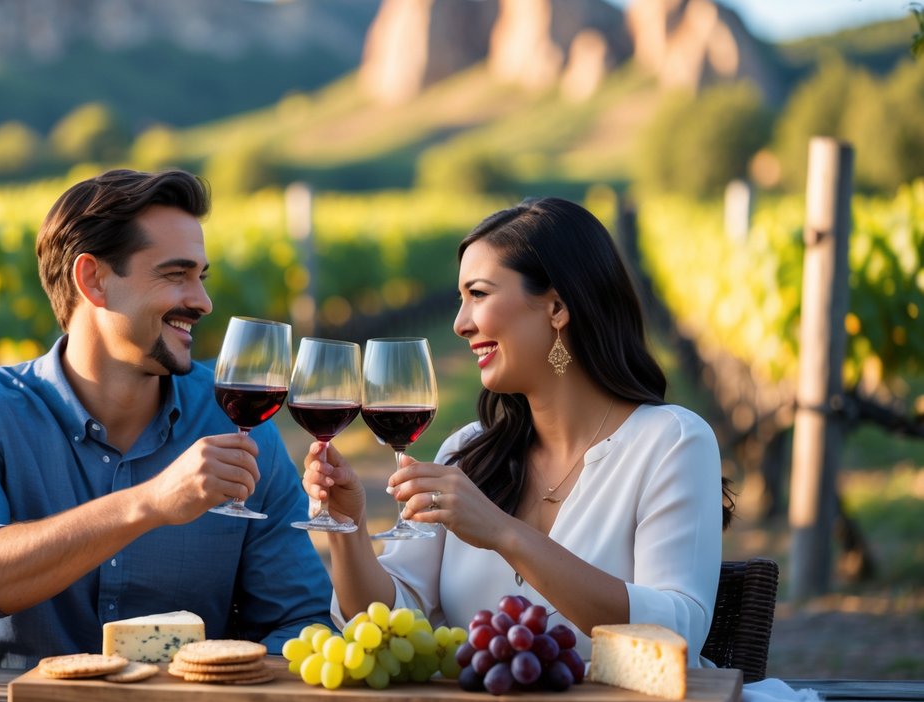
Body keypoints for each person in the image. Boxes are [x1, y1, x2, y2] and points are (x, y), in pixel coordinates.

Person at [0, 168, 333, 669]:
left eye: (201, 276)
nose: (202, 300)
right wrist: (150, 502)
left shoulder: (236, 423)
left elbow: (300, 622)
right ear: (94, 280)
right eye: (176, 274)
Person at [304, 197, 733, 666]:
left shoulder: (671, 442)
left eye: (479, 294)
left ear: (557, 307)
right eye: (460, 299)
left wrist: (504, 533)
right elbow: (386, 625)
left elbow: (675, 633)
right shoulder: (468, 451)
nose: (460, 323)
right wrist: (347, 527)